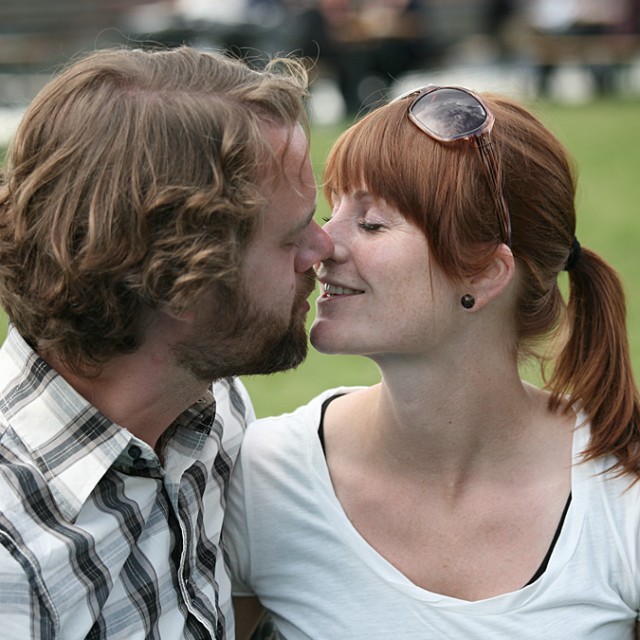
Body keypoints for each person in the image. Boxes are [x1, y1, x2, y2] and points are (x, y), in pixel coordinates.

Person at [225, 84, 640, 638]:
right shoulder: (265, 476)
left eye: (371, 223)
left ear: (486, 274)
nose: (323, 243)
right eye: (332, 211)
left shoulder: (621, 487)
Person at [0, 45, 333, 639]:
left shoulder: (208, 407)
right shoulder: (16, 557)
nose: (323, 250)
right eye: (289, 239)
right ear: (178, 282)